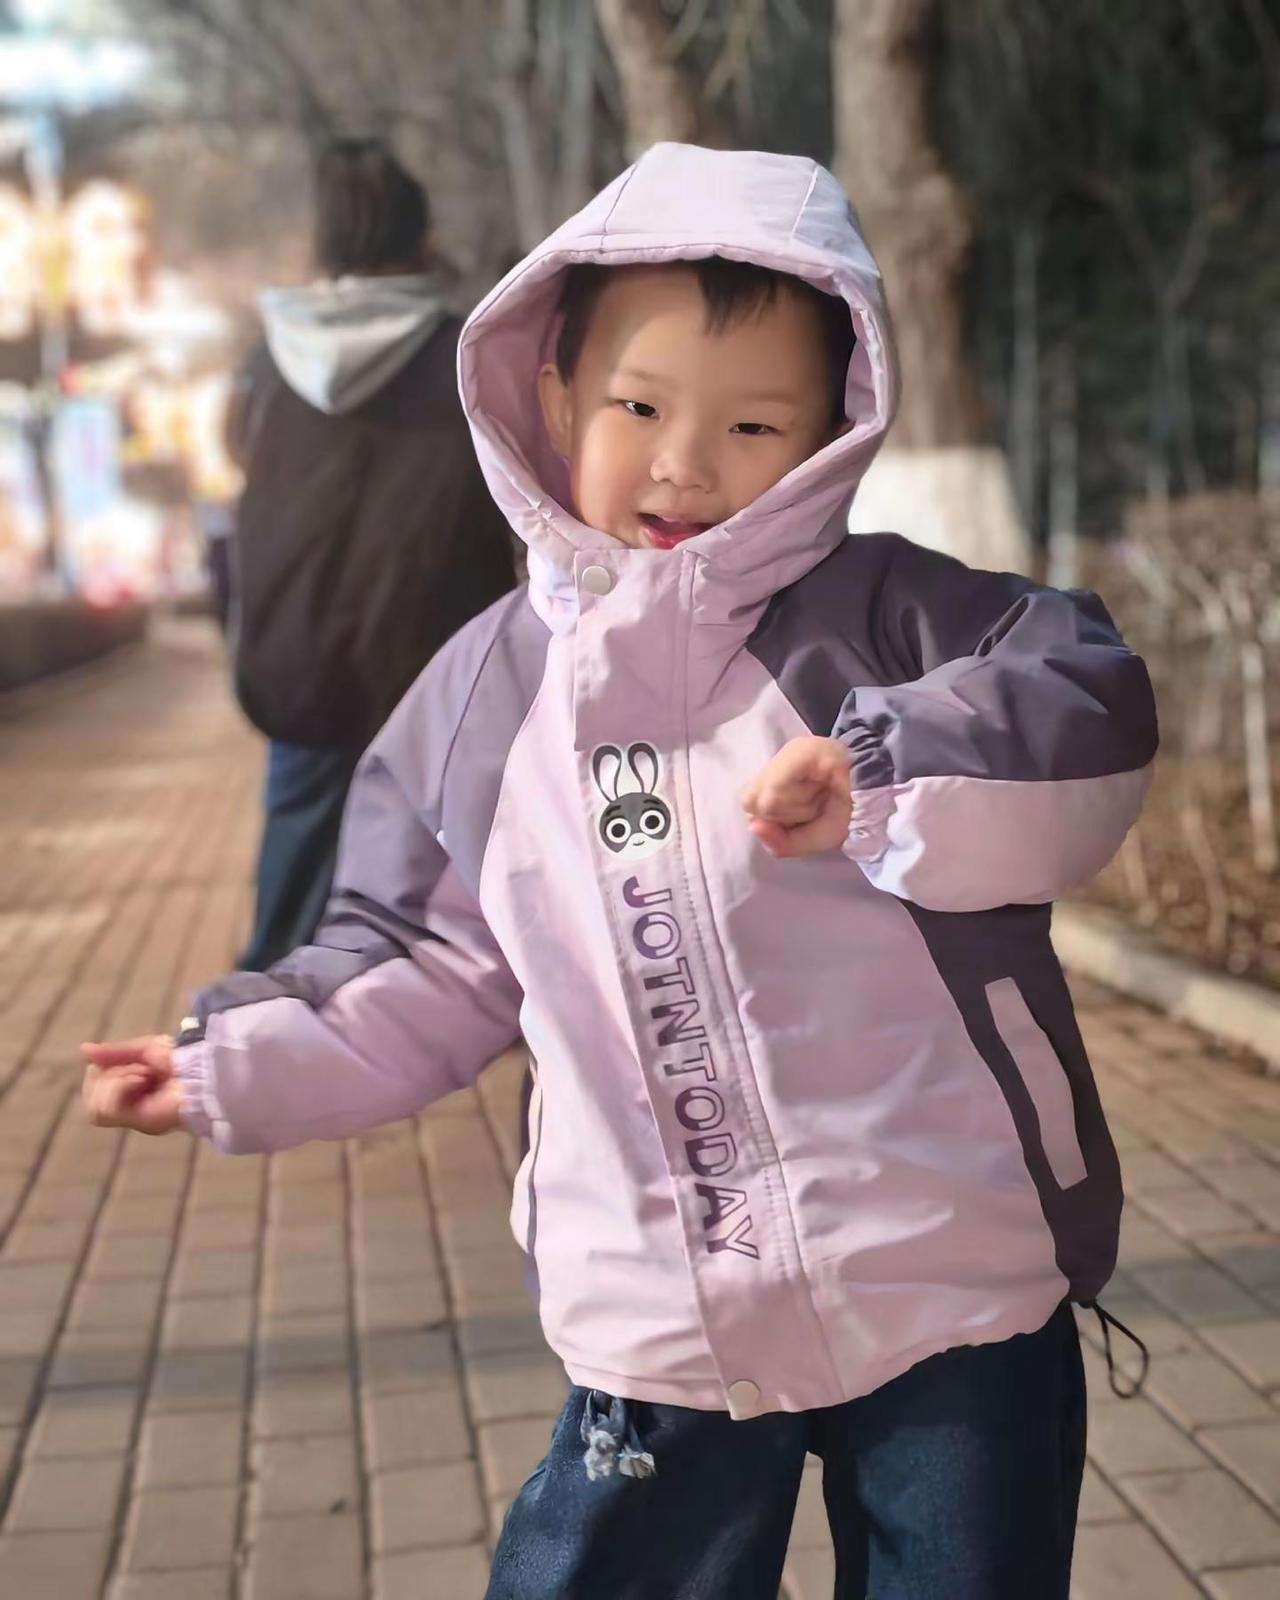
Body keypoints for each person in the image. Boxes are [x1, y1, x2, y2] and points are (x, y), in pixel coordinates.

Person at [82, 144, 1157, 1600]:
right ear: (552, 396)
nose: (683, 465)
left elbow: (1084, 715)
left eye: (754, 424)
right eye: (638, 407)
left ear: (834, 429)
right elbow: (417, 957)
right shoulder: (482, 702)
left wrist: (885, 768)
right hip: (661, 1305)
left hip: (945, 1266)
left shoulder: (902, 622)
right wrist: (232, 1062)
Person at [225, 138, 516, 969]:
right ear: (421, 235)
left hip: (299, 667)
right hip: (439, 674)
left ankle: (267, 1017)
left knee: (289, 908)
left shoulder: (268, 365)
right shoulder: (469, 356)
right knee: (460, 916)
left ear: (325, 240)